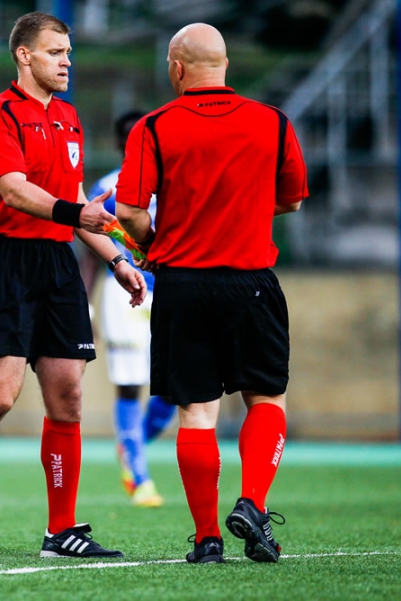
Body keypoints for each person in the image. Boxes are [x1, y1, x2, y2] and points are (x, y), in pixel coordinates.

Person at [0, 11, 146, 559]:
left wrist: (116, 260)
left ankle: (60, 532)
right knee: (0, 397)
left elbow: (78, 199)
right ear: (24, 56)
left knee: (67, 394)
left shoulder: (68, 117)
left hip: (57, 263)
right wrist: (76, 214)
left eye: (69, 52)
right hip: (7, 260)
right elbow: (15, 191)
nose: (67, 61)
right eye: (55, 52)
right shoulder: (0, 114)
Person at [116, 23, 308, 564]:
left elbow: (129, 211)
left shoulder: (153, 126)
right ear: (226, 65)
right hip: (251, 281)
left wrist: (152, 244)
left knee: (197, 414)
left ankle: (207, 540)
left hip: (182, 283)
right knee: (266, 399)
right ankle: (252, 503)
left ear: (176, 68)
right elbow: (291, 201)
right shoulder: (272, 123)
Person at [79, 110, 176, 508]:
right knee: (132, 382)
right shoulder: (107, 187)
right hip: (124, 295)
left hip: (171, 289)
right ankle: (138, 474)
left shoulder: (171, 184)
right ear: (126, 144)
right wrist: (86, 305)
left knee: (174, 382)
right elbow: (88, 249)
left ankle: (131, 445)